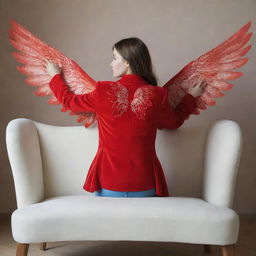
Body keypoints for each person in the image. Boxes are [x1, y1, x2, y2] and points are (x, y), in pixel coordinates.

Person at [43, 37, 204, 198]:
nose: (111, 63)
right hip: (145, 183)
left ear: (127, 62)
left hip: (108, 182)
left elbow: (70, 102)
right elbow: (174, 121)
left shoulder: (103, 90)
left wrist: (55, 77)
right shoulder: (158, 95)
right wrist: (190, 98)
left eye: (115, 58)